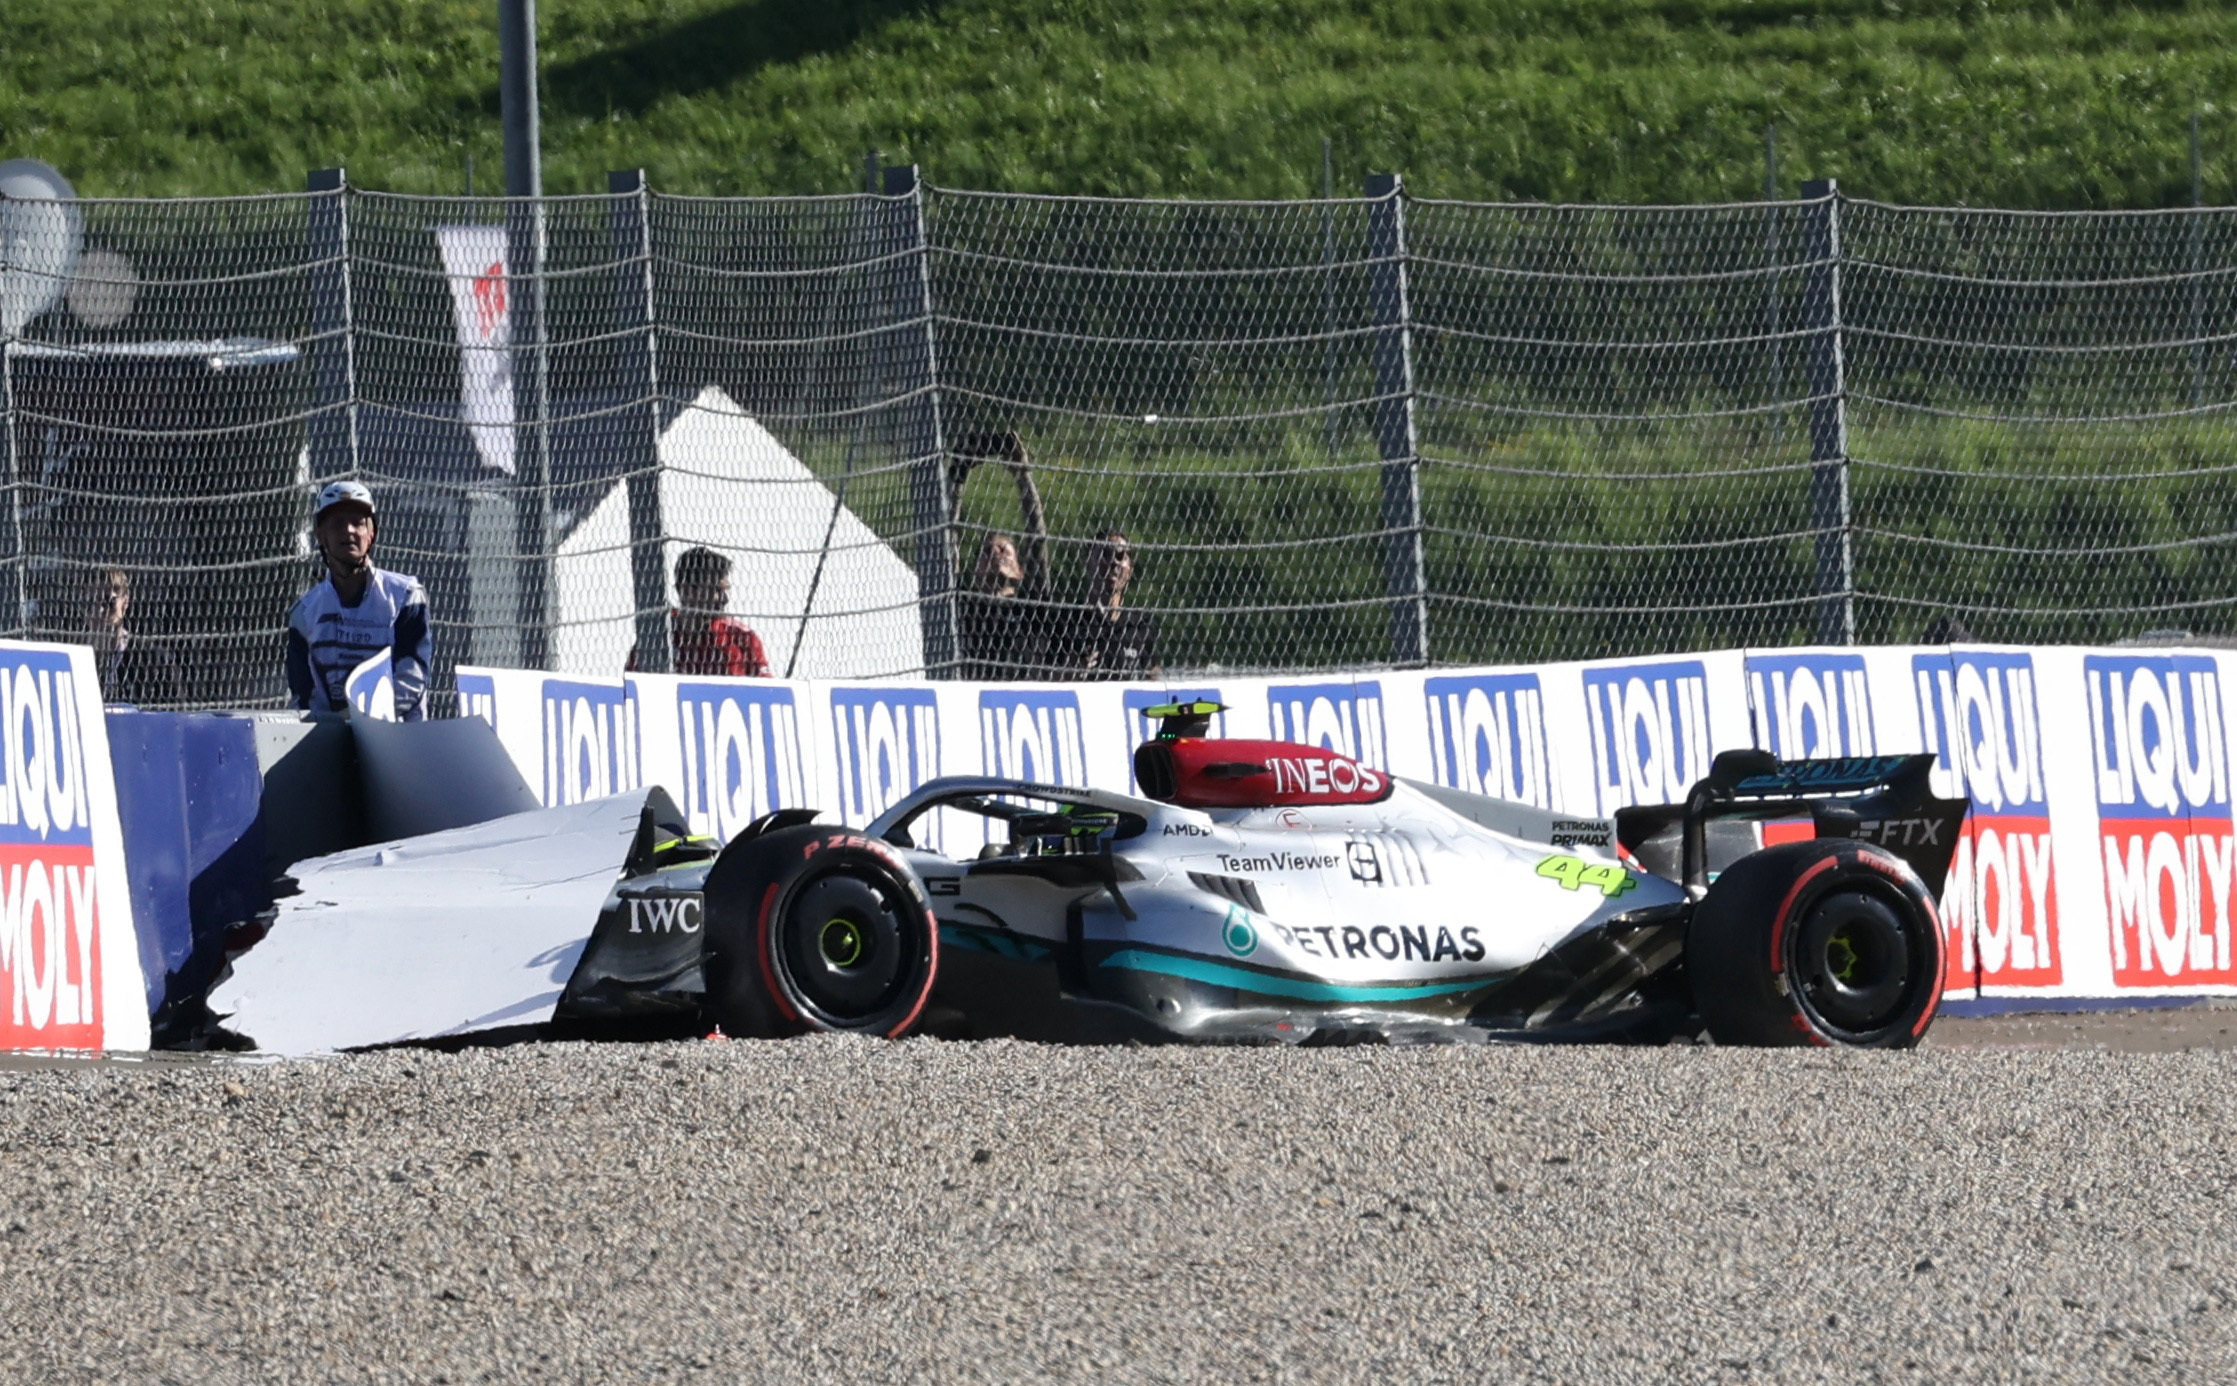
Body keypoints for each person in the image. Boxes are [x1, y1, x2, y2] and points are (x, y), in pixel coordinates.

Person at [286, 481, 432, 721]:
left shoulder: (405, 597)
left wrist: (362, 720)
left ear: (371, 534)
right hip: (332, 736)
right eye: (337, 524)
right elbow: (305, 699)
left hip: (398, 735)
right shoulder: (304, 614)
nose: (349, 531)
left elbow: (411, 680)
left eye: (358, 523)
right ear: (321, 535)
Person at [952, 431, 1054, 679]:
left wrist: (1022, 474)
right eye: (987, 551)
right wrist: (958, 474)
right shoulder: (965, 605)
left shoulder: (1031, 605)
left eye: (1004, 549)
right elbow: (947, 543)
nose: (996, 554)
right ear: (977, 570)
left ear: (1020, 570)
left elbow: (1037, 538)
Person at [631, 546, 770, 677]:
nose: (725, 599)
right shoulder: (657, 638)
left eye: (725, 590)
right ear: (687, 591)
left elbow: (768, 689)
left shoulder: (740, 638)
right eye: (716, 590)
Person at [1054, 528, 1160, 681]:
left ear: (1130, 569)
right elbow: (1046, 678)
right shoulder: (1068, 621)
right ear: (1088, 563)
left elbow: (1152, 675)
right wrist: (1073, 670)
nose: (1114, 562)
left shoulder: (1141, 625)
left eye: (1121, 556)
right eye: (1106, 554)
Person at [81, 567, 183, 706]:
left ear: (125, 602)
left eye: (109, 601)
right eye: (89, 603)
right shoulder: (73, 657)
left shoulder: (155, 660)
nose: (98, 609)